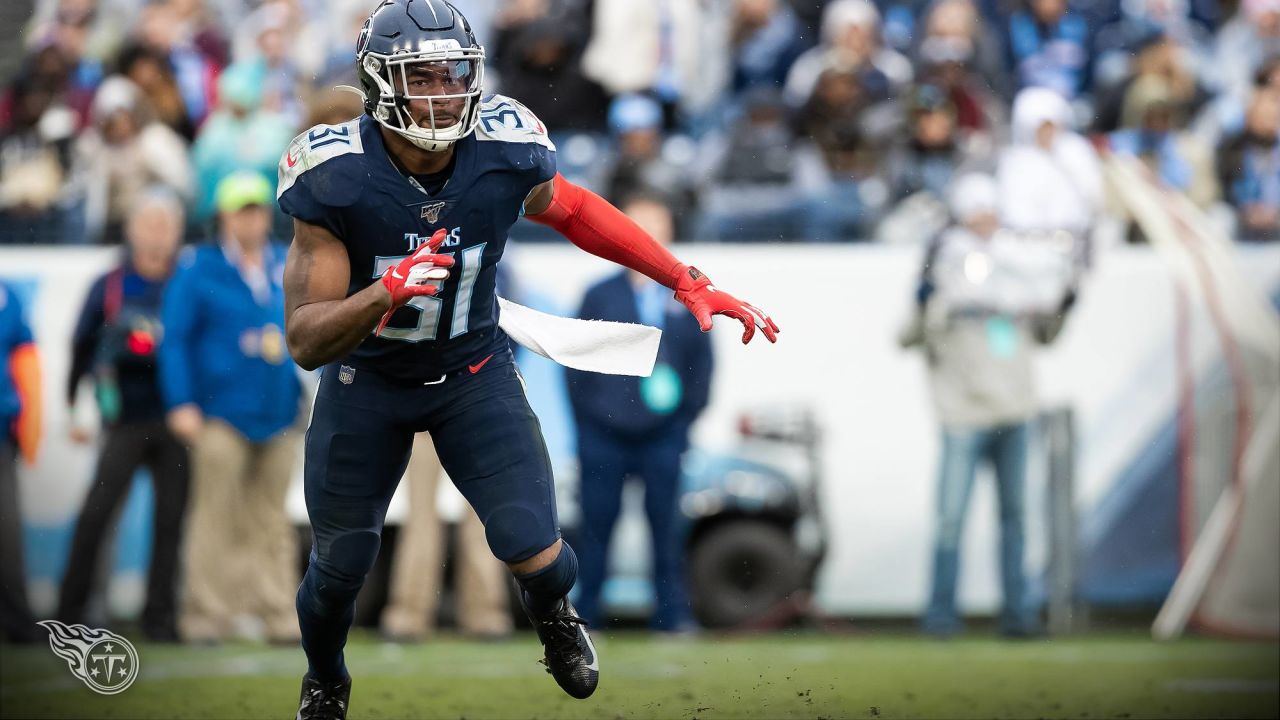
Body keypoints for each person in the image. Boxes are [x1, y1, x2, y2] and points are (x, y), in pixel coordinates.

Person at [277, 2, 778, 716]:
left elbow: (573, 210)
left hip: (472, 371)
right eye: (424, 76)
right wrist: (381, 294)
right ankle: (325, 675)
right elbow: (305, 340)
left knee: (533, 546)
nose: (446, 91)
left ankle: (554, 616)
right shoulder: (335, 174)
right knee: (340, 569)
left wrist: (682, 278)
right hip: (369, 380)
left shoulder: (503, 147)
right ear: (380, 84)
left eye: (456, 73)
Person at [899, 173, 1068, 638]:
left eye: (991, 213)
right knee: (951, 520)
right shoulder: (948, 264)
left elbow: (1047, 334)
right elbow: (907, 336)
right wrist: (925, 299)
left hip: (1015, 410)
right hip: (963, 414)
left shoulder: (1014, 267)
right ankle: (940, 616)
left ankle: (1017, 615)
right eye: (978, 213)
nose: (986, 223)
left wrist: (1063, 300)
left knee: (1015, 519)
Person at [159, 171, 303, 644]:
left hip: (279, 409)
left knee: (272, 518)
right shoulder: (199, 267)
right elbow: (175, 340)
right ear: (223, 215)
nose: (252, 219)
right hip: (219, 412)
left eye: (258, 208)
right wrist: (181, 402)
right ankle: (206, 616)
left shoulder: (285, 262)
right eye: (243, 209)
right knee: (214, 515)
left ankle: (278, 614)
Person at [566, 195, 713, 633]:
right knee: (595, 530)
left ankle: (672, 614)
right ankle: (586, 615)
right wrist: (589, 426)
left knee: (667, 529)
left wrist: (683, 424)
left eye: (657, 224)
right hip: (604, 436)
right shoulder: (599, 295)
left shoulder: (686, 295)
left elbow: (702, 368)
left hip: (664, 437)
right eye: (640, 224)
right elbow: (575, 367)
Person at [58, 190, 190, 642]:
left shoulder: (186, 280)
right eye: (149, 223)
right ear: (131, 229)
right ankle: (69, 611)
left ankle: (161, 619)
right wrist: (73, 406)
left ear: (177, 233)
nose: (157, 233)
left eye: (165, 225)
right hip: (124, 421)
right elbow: (79, 348)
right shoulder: (110, 283)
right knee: (97, 513)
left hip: (176, 419)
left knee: (172, 522)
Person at [379, 434, 513, 641]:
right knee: (420, 515)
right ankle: (409, 611)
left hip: (479, 407)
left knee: (481, 514)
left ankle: (485, 611)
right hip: (420, 410)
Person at [0, 280, 41, 644]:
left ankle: (17, 623)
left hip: (1, 433)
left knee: (7, 534)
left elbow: (26, 361)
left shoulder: (7, 294)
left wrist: (30, 424)